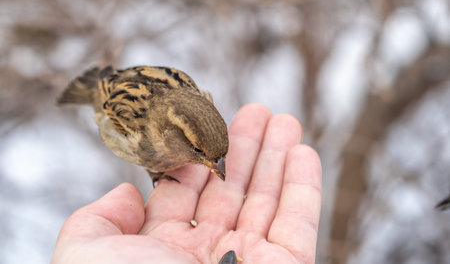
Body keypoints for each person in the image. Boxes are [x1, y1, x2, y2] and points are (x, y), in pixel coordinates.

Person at [51, 103, 322, 263]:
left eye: (220, 158)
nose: (218, 168)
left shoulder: (197, 107)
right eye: (201, 153)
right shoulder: (139, 127)